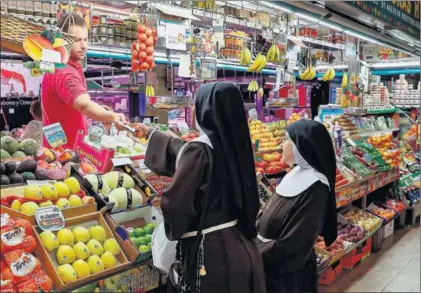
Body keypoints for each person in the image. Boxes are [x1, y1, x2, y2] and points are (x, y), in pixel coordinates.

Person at [134, 82, 265, 293]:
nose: (193, 109)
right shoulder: (235, 144)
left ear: (207, 110)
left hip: (213, 257)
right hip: (241, 248)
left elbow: (176, 204)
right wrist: (152, 134)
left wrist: (170, 230)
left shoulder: (200, 150)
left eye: (196, 103)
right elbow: (185, 151)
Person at [257, 119, 337, 293]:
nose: (281, 143)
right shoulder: (294, 174)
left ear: (301, 146)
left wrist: (255, 256)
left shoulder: (317, 188)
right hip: (265, 266)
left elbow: (295, 243)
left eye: (286, 139)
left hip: (285, 278)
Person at [41, 13, 126, 149]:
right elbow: (84, 105)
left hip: (62, 147)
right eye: (77, 40)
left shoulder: (67, 65)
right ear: (64, 40)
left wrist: (99, 111)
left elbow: (74, 106)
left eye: (86, 39)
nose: (84, 46)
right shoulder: (64, 71)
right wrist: (111, 116)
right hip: (65, 155)